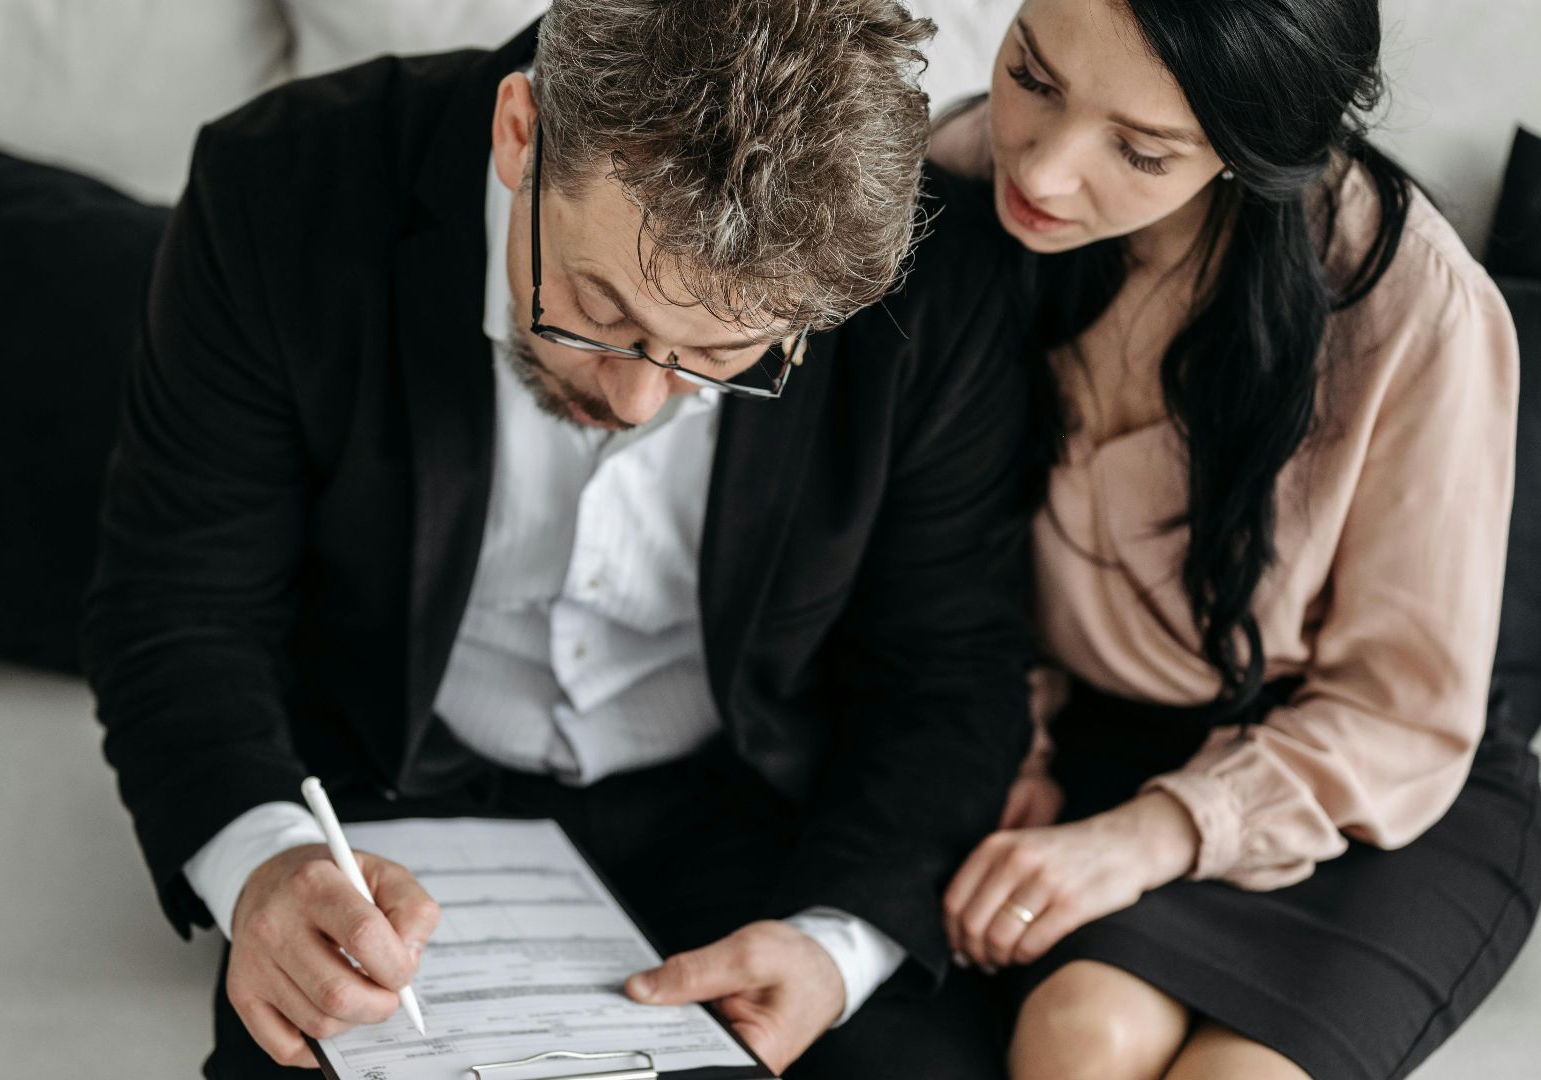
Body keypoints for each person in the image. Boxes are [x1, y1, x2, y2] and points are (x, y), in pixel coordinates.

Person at [84, 2, 1035, 1076]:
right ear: (519, 131)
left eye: (719, 353)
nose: (635, 399)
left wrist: (833, 943)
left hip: (763, 817)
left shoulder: (940, 283)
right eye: (597, 308)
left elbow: (951, 668)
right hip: (380, 802)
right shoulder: (281, 187)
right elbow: (180, 605)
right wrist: (262, 864)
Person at [927, 0, 1541, 1076]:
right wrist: (1003, 741)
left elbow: (1401, 711)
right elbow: (930, 550)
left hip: (1369, 782)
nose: (1047, 170)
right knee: (1079, 1042)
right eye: (1032, 75)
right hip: (1099, 747)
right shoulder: (953, 185)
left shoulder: (1410, 304)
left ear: (1247, 155)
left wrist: (1147, 838)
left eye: (1139, 149)